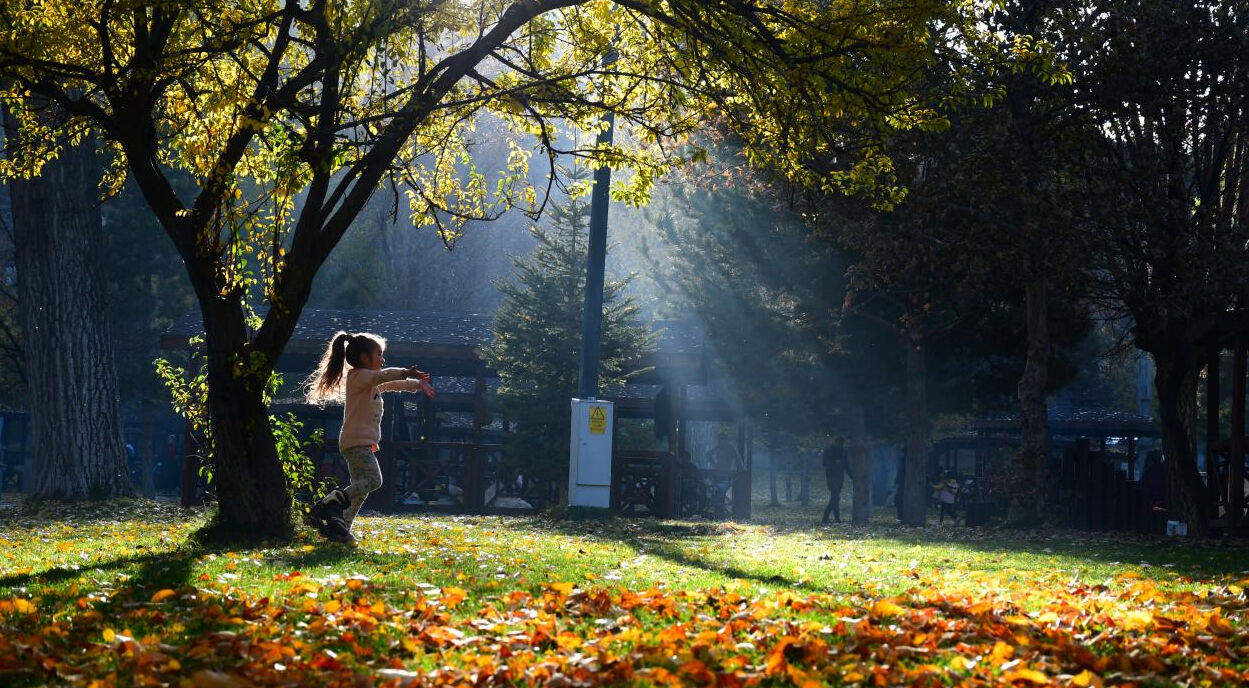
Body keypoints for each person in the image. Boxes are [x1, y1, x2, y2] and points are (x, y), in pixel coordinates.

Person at [304, 331, 434, 544]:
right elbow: (384, 376)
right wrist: (405, 372)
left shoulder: (366, 381)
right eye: (379, 354)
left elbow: (390, 384)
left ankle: (340, 530)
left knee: (360, 490)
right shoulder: (359, 377)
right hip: (357, 443)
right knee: (374, 480)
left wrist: (417, 384)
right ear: (364, 358)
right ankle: (331, 502)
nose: (383, 360)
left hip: (357, 443)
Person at [821, 437, 851, 524]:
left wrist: (852, 476)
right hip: (831, 476)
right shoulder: (829, 450)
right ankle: (834, 518)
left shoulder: (843, 451)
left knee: (835, 498)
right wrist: (834, 462)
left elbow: (846, 465)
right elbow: (824, 463)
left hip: (839, 476)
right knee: (835, 497)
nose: (841, 445)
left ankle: (827, 518)